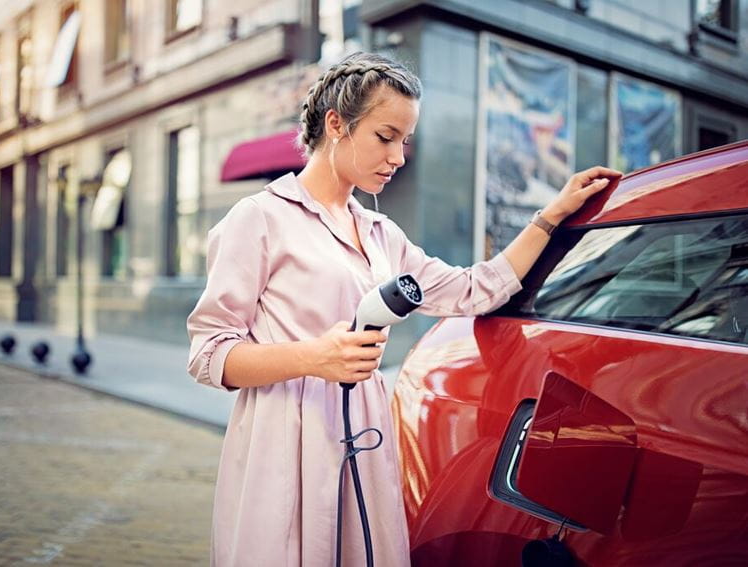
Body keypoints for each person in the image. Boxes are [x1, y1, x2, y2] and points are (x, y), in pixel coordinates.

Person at [187, 51, 622, 567]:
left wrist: (551, 216)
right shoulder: (258, 218)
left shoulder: (381, 233)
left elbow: (474, 290)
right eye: (385, 136)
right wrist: (314, 358)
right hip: (284, 440)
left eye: (405, 141)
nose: (398, 157)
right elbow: (208, 355)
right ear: (336, 125)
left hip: (364, 437)